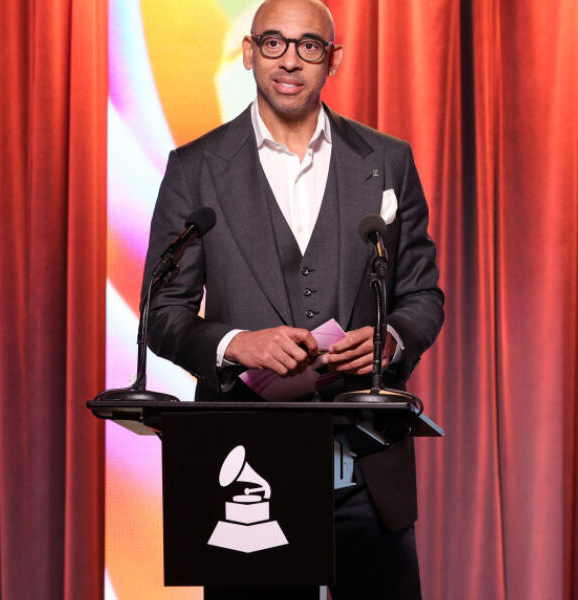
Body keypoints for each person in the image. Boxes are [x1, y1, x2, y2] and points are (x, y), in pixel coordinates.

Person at [142, 0, 443, 597]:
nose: (289, 61)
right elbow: (163, 312)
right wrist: (235, 344)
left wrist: (392, 339)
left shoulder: (388, 161)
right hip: (245, 471)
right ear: (249, 52)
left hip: (367, 467)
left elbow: (422, 295)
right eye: (273, 43)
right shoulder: (195, 167)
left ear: (333, 60)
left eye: (309, 46)